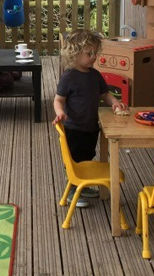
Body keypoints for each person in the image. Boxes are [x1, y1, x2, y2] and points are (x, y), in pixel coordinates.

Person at [52, 30, 128, 208]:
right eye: (89, 53)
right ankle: (72, 190)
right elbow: (58, 99)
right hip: (73, 127)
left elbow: (105, 94)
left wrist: (115, 103)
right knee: (75, 160)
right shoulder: (69, 77)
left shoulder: (95, 75)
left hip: (91, 126)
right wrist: (60, 112)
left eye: (95, 53)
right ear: (75, 53)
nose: (93, 57)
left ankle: (82, 186)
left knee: (87, 157)